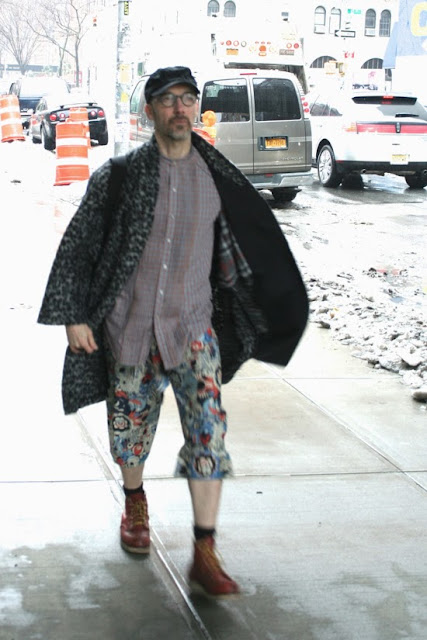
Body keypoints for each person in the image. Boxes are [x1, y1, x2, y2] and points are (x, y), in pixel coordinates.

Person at [38, 66, 308, 597]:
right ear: (150, 111)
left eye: (188, 99)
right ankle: (135, 502)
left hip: (193, 331)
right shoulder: (119, 177)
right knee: (130, 435)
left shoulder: (217, 177)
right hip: (130, 327)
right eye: (168, 100)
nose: (180, 108)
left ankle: (205, 550)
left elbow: (248, 247)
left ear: (197, 108)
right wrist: (75, 315)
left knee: (209, 434)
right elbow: (79, 246)